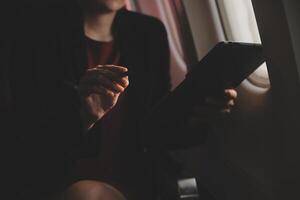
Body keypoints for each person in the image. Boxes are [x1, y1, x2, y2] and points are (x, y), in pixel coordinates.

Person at [5, 0, 237, 199]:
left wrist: (197, 116)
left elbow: (157, 133)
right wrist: (83, 116)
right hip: (58, 183)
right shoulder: (34, 31)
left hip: (140, 181)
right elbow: (25, 142)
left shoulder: (149, 34)